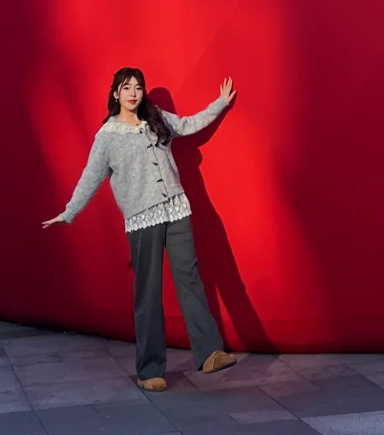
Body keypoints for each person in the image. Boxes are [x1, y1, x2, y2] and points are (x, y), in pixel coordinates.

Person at [43, 66, 238, 391]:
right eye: (126, 87)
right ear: (115, 94)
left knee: (190, 279)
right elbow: (91, 177)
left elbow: (188, 124)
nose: (133, 92)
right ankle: (150, 370)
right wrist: (69, 212)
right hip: (143, 219)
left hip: (176, 210)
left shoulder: (156, 119)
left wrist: (219, 104)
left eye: (137, 87)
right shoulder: (107, 137)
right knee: (148, 292)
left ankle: (209, 353)